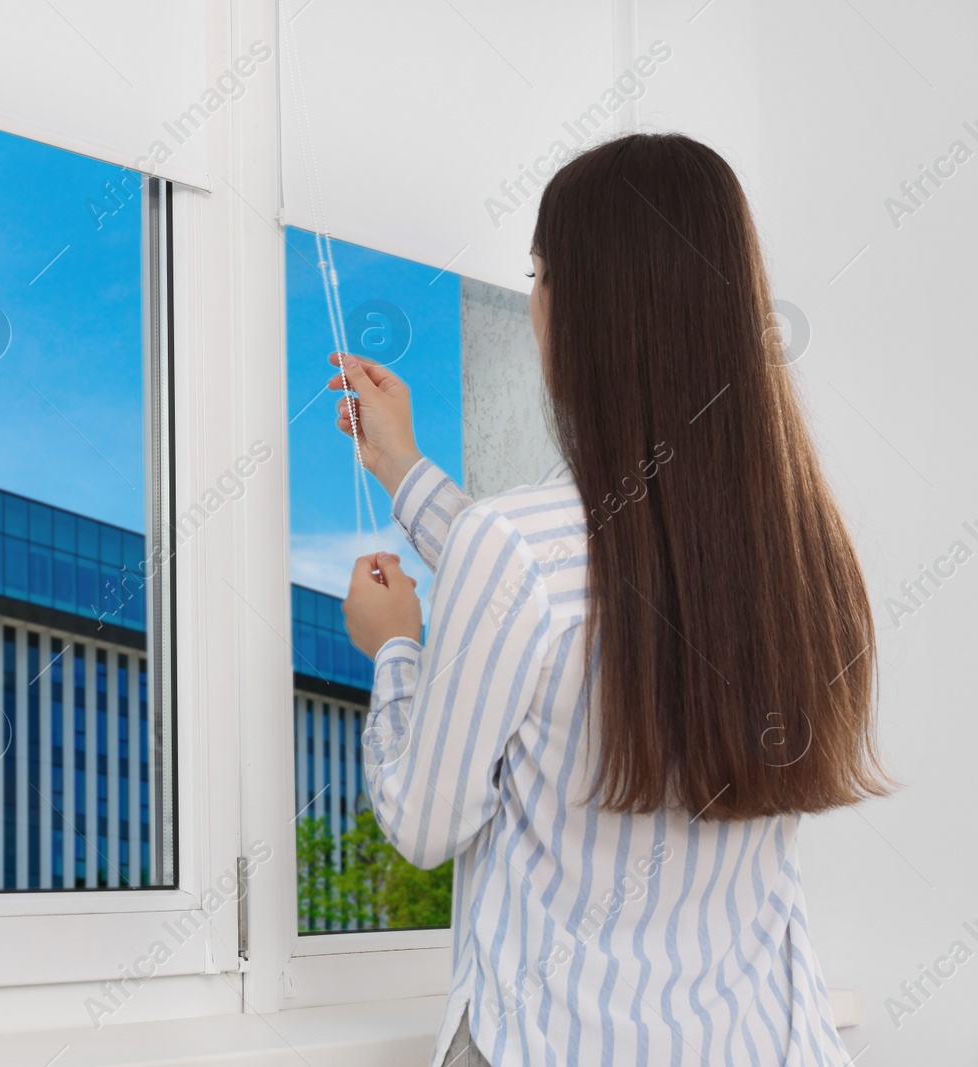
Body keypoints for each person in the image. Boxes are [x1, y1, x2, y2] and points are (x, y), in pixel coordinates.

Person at [334, 132, 890, 1067]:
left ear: (587, 310)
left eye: (540, 276)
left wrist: (396, 649)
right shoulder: (806, 555)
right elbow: (588, 580)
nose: (535, 304)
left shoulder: (517, 550)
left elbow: (424, 824)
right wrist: (402, 469)